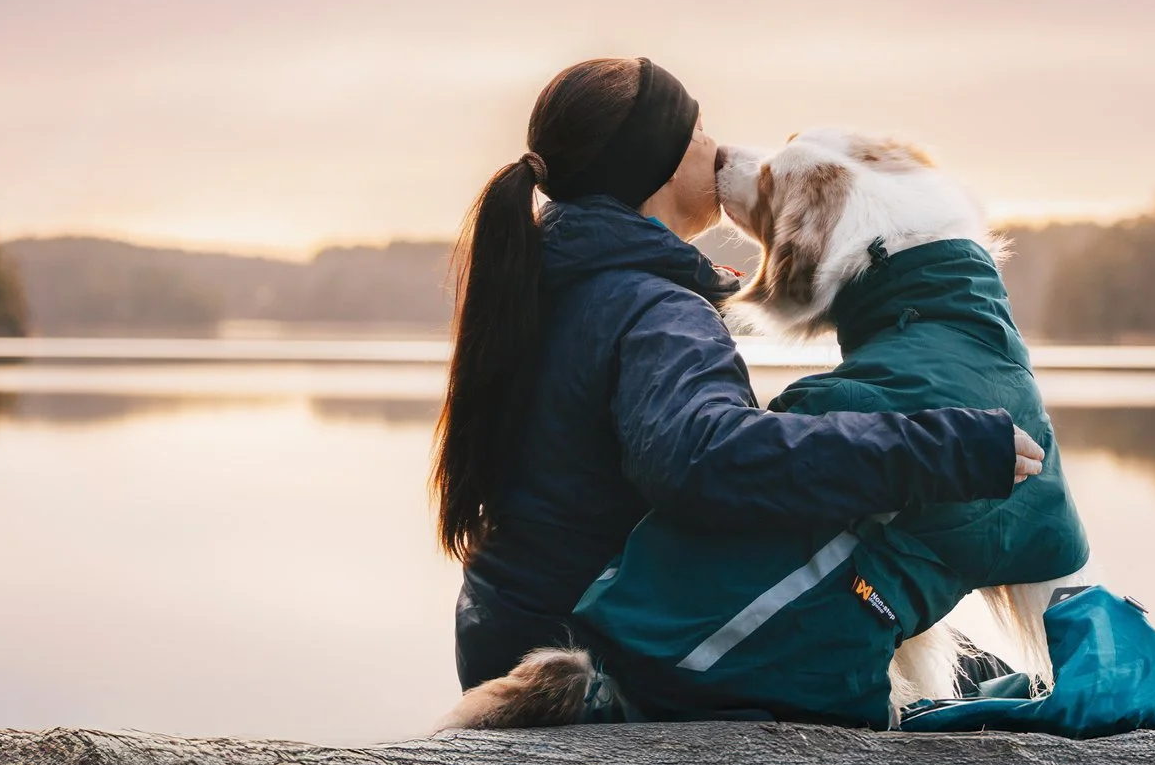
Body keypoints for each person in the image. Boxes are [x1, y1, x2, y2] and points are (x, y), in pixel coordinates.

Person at [437, 56, 1044, 690]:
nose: (718, 147)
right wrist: (940, 449)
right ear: (659, 161)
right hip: (614, 651)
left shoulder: (548, 285)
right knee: (999, 687)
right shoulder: (655, 308)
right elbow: (705, 460)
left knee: (983, 670)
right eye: (699, 132)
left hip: (515, 634)